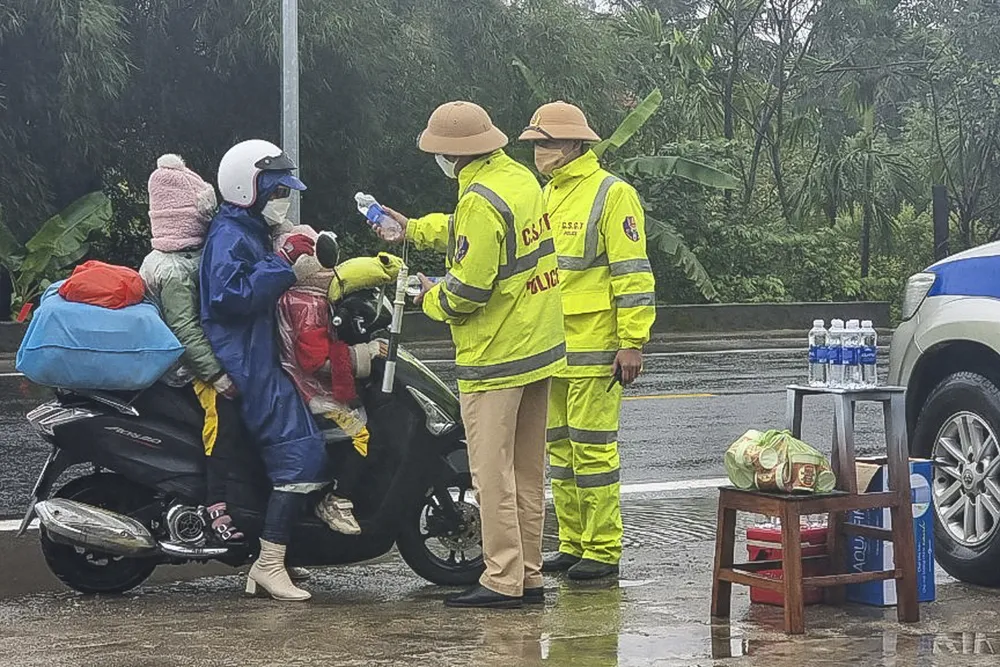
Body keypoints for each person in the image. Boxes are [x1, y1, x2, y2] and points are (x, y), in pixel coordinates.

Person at [379, 101, 566, 609]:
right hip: (539, 349)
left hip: (495, 356)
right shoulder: (518, 180)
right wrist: (413, 227)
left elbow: (465, 292)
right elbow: (471, 232)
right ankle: (528, 574)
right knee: (528, 472)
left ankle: (501, 577)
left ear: (452, 153)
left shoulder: (481, 199)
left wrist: (425, 298)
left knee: (490, 474)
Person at [519, 101, 656, 580]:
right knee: (559, 449)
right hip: (552, 346)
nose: (540, 151)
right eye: (536, 144)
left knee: (593, 450)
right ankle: (574, 542)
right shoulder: (546, 195)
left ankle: (603, 548)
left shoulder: (611, 194)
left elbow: (632, 273)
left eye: (548, 143)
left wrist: (632, 341)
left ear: (576, 144)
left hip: (597, 345)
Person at [200, 139, 328, 602]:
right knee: (301, 452)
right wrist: (281, 262)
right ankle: (270, 563)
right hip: (246, 360)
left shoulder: (246, 227)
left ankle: (273, 559)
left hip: (260, 352)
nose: (281, 201)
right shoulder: (229, 236)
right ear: (246, 188)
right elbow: (227, 298)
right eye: (275, 192)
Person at [138, 154, 245, 546]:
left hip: (178, 363)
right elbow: (185, 331)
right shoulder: (176, 270)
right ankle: (217, 504)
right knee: (225, 419)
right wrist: (218, 376)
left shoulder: (168, 260)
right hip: (186, 371)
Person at [272, 225, 388, 535]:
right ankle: (337, 500)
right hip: (309, 390)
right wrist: (365, 353)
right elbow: (315, 361)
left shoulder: (298, 296)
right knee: (362, 435)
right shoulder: (308, 305)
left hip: (299, 383)